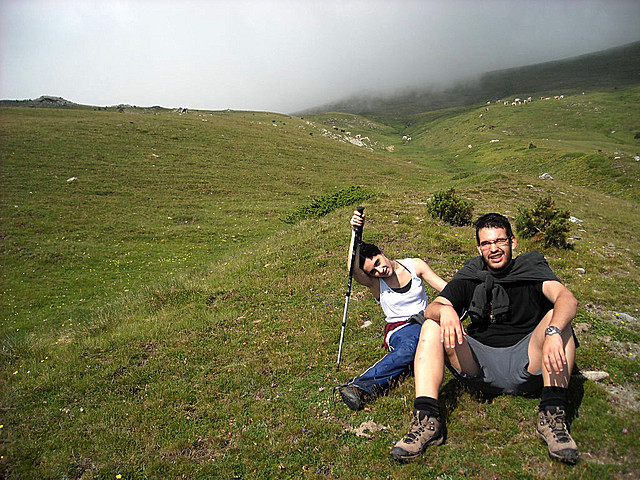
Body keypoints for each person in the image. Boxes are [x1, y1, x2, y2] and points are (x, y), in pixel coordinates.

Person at [390, 213, 580, 465]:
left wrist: (554, 331)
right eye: (487, 243)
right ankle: (427, 420)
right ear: (479, 247)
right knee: (430, 326)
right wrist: (445, 310)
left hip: (528, 358)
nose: (494, 249)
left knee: (559, 318)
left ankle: (553, 416)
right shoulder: (471, 273)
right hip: (480, 364)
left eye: (499, 241)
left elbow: (567, 299)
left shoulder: (532, 268)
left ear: (512, 242)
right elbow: (432, 307)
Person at [337, 209, 447, 410]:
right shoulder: (375, 284)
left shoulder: (415, 266)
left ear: (382, 252)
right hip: (400, 330)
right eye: (373, 271)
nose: (380, 271)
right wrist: (355, 232)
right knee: (412, 346)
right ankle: (359, 387)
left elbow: (445, 288)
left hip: (427, 322)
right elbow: (353, 270)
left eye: (378, 263)